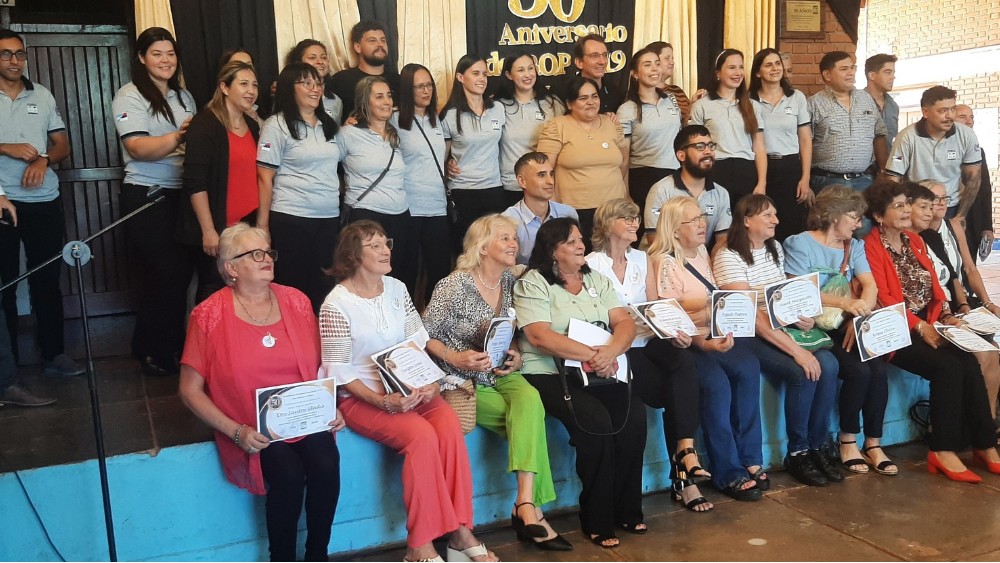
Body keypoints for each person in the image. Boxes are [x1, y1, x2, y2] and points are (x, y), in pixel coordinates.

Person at [318, 221, 498, 562]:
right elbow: (338, 373)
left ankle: (460, 532)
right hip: (362, 398)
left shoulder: (397, 288)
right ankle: (419, 546)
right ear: (353, 255)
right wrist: (383, 401)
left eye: (386, 243)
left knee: (448, 427)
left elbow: (418, 341)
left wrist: (431, 381)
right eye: (374, 246)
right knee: (421, 436)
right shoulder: (336, 305)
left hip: (409, 389)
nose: (385, 250)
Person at [178, 223, 343, 562]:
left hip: (301, 415)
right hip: (249, 425)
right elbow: (189, 390)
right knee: (288, 474)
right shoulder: (208, 315)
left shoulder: (296, 301)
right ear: (231, 268)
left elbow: (320, 366)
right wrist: (235, 431)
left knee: (327, 463)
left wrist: (330, 404)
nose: (266, 258)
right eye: (255, 254)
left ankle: (318, 554)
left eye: (268, 252)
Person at [422, 214, 572, 552]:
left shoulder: (509, 281)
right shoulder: (453, 285)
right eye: (504, 238)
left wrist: (516, 353)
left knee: (530, 399)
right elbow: (423, 335)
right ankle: (532, 512)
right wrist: (455, 357)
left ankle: (524, 502)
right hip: (462, 381)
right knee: (529, 423)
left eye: (514, 238)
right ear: (482, 246)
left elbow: (509, 331)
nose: (513, 244)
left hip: (502, 373)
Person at [514, 217, 647, 548]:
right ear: (552, 250)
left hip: (600, 369)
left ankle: (627, 509)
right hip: (548, 373)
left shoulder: (596, 279)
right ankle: (597, 518)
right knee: (595, 421)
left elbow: (624, 322)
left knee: (633, 416)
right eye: (571, 242)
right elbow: (539, 336)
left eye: (580, 240)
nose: (580, 246)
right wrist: (593, 355)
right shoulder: (533, 283)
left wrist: (610, 352)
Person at [862, 179, 1000, 483]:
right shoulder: (870, 246)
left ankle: (985, 444)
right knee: (947, 367)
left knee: (968, 360)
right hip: (895, 329)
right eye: (897, 206)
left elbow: (936, 285)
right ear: (879, 216)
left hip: (931, 322)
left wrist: (947, 316)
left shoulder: (914, 240)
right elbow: (885, 298)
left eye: (905, 204)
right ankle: (942, 449)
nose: (905, 210)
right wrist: (920, 326)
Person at [587, 199, 716, 512]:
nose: (635, 223)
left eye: (635, 218)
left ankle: (685, 449)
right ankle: (684, 476)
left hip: (647, 338)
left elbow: (656, 305)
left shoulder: (641, 258)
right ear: (607, 224)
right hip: (618, 346)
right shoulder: (591, 263)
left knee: (683, 358)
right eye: (626, 218)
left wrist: (676, 330)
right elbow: (594, 315)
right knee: (675, 389)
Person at [714, 194, 842, 487]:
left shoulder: (774, 248)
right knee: (802, 371)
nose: (776, 220)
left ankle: (818, 445)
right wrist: (797, 351)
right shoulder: (728, 255)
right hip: (747, 332)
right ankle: (798, 452)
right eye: (768, 215)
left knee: (830, 365)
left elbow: (781, 298)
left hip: (779, 326)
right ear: (747, 220)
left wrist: (801, 317)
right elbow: (750, 314)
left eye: (775, 214)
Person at [646, 196, 764, 500]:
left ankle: (750, 457)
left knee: (749, 367)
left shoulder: (700, 251)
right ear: (674, 229)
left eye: (702, 217)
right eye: (693, 220)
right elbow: (671, 317)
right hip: (685, 343)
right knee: (716, 384)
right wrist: (705, 342)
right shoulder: (665, 262)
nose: (703, 224)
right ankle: (728, 472)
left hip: (712, 333)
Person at [783, 185, 895, 476]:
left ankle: (874, 442)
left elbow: (870, 285)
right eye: (854, 217)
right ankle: (847, 439)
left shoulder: (853, 246)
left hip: (846, 322)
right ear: (834, 215)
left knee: (878, 368)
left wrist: (859, 316)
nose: (858, 224)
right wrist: (846, 303)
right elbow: (799, 291)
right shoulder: (799, 244)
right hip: (813, 325)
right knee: (858, 372)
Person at [111, 27, 197, 376]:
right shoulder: (129, 95)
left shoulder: (184, 96)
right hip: (147, 194)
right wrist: (179, 136)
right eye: (157, 54)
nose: (165, 60)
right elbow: (137, 147)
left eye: (170, 54)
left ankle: (161, 347)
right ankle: (155, 350)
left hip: (182, 193)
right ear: (142, 58)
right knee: (165, 272)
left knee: (180, 275)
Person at [0, 28, 80, 376]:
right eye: (6, 54)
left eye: (19, 54)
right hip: (3, 201)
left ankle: (54, 355)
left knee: (47, 278)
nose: (14, 60)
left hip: (44, 199)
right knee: (4, 284)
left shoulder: (42, 95)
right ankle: (8, 368)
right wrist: (5, 147)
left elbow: (62, 145)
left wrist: (44, 160)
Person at [911, 181, 1000, 420]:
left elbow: (964, 271)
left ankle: (989, 419)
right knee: (982, 355)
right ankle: (976, 421)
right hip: (937, 310)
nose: (940, 204)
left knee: (992, 350)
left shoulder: (949, 228)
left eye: (944, 198)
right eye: (932, 200)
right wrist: (951, 312)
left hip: (956, 302)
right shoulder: (915, 237)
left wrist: (984, 303)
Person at [256, 63, 342, 311]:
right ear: (289, 88)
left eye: (318, 83)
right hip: (291, 218)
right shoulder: (276, 125)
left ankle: (319, 335)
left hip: (328, 218)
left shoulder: (329, 125)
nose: (315, 89)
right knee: (292, 289)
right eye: (306, 83)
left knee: (324, 288)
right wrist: (263, 226)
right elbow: (264, 177)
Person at [180, 60, 261, 303]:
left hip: (246, 226)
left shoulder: (253, 126)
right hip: (217, 227)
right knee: (213, 291)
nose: (251, 91)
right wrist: (208, 230)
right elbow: (195, 182)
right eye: (243, 84)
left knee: (245, 290)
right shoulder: (204, 124)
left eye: (255, 85)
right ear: (225, 87)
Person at [537, 76, 628, 250]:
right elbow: (544, 171)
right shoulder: (557, 126)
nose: (591, 102)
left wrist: (625, 193)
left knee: (613, 258)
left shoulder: (612, 124)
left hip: (613, 210)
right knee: (579, 259)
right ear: (570, 104)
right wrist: (552, 208)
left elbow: (623, 162)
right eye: (583, 98)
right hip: (573, 212)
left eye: (594, 96)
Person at [337, 76, 410, 285]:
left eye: (388, 96)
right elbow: (328, 168)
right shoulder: (347, 134)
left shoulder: (396, 134)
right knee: (365, 277)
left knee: (396, 276)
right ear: (364, 102)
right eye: (379, 97)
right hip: (365, 215)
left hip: (400, 215)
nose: (387, 102)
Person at [392, 63, 451, 302]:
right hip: (409, 206)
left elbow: (441, 155)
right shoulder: (394, 118)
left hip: (437, 206)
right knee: (406, 270)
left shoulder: (437, 118)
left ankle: (433, 317)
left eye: (429, 85)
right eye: (419, 87)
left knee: (439, 271)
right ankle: (405, 317)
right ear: (407, 90)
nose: (426, 91)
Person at [886, 86, 982, 226]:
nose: (950, 116)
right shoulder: (907, 137)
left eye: (953, 109)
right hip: (918, 209)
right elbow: (893, 180)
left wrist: (960, 216)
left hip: (951, 207)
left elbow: (974, 177)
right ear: (925, 112)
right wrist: (901, 212)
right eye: (943, 111)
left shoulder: (966, 134)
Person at [440, 54, 507, 250]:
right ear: (460, 77)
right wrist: (447, 165)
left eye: (485, 74)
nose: (482, 79)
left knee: (494, 247)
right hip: (463, 191)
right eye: (475, 73)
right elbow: (441, 157)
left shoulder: (498, 109)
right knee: (468, 249)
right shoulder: (449, 115)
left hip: (494, 188)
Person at [617, 48, 683, 241]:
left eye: (657, 63)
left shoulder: (671, 100)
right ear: (635, 73)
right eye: (647, 65)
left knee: (674, 234)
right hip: (644, 177)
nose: (655, 69)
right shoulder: (627, 109)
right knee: (648, 237)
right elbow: (623, 158)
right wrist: (625, 192)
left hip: (674, 175)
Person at [749, 48, 813, 242]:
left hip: (790, 166)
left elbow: (805, 140)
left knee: (790, 222)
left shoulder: (796, 97)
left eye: (778, 64)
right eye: (768, 65)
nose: (775, 68)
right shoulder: (749, 100)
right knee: (761, 222)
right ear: (758, 72)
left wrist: (805, 178)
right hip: (759, 166)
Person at [689, 49, 766, 203]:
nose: (738, 73)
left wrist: (762, 182)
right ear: (718, 73)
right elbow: (694, 145)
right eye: (732, 67)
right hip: (715, 169)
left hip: (746, 172)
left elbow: (759, 147)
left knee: (745, 217)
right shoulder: (702, 105)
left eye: (741, 67)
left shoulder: (753, 106)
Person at [808, 51, 887, 195]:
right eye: (844, 69)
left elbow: (879, 135)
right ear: (827, 75)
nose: (851, 73)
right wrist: (805, 181)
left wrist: (883, 171)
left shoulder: (866, 99)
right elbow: (804, 145)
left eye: (853, 68)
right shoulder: (814, 104)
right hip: (827, 182)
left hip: (865, 181)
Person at [644, 125, 731, 253]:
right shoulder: (661, 190)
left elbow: (722, 241)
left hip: (701, 259)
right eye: (700, 147)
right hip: (664, 259)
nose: (708, 151)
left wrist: (707, 263)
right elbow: (655, 239)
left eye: (710, 146)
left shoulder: (721, 193)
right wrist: (689, 263)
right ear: (681, 155)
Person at [495, 52, 564, 207]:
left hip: (545, 187)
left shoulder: (552, 103)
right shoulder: (498, 106)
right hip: (511, 187)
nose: (527, 74)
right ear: (509, 75)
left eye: (530, 68)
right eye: (520, 70)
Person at [503, 152, 578, 265]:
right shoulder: (508, 219)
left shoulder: (568, 213)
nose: (550, 181)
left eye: (551, 174)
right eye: (541, 175)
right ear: (522, 181)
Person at [328, 21, 400, 123]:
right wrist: (343, 127)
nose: (380, 44)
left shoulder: (399, 81)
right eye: (372, 41)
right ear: (357, 47)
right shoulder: (341, 81)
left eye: (383, 40)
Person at [954, 104, 994, 253]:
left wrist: (987, 227)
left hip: (972, 221)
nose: (969, 121)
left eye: (971, 117)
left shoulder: (978, 151)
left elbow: (985, 190)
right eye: (962, 117)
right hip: (949, 215)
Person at [283, 39, 342, 124]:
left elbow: (335, 130)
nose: (320, 62)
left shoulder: (335, 100)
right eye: (312, 58)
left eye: (324, 57)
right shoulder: (290, 93)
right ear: (298, 62)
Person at [565, 33, 622, 114]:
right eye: (594, 56)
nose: (602, 62)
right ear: (579, 62)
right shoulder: (565, 92)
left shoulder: (614, 92)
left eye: (605, 55)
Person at [644, 41, 694, 122]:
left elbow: (686, 122)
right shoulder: (643, 92)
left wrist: (693, 105)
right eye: (667, 58)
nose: (672, 62)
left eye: (672, 58)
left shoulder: (677, 91)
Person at [217, 48, 264, 127]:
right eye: (238, 65)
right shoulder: (209, 121)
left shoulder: (260, 107)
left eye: (249, 65)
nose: (245, 70)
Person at [863, 54, 899, 146]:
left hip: (888, 155)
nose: (893, 77)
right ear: (872, 75)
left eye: (893, 72)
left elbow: (892, 141)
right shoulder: (855, 103)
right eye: (888, 72)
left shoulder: (893, 106)